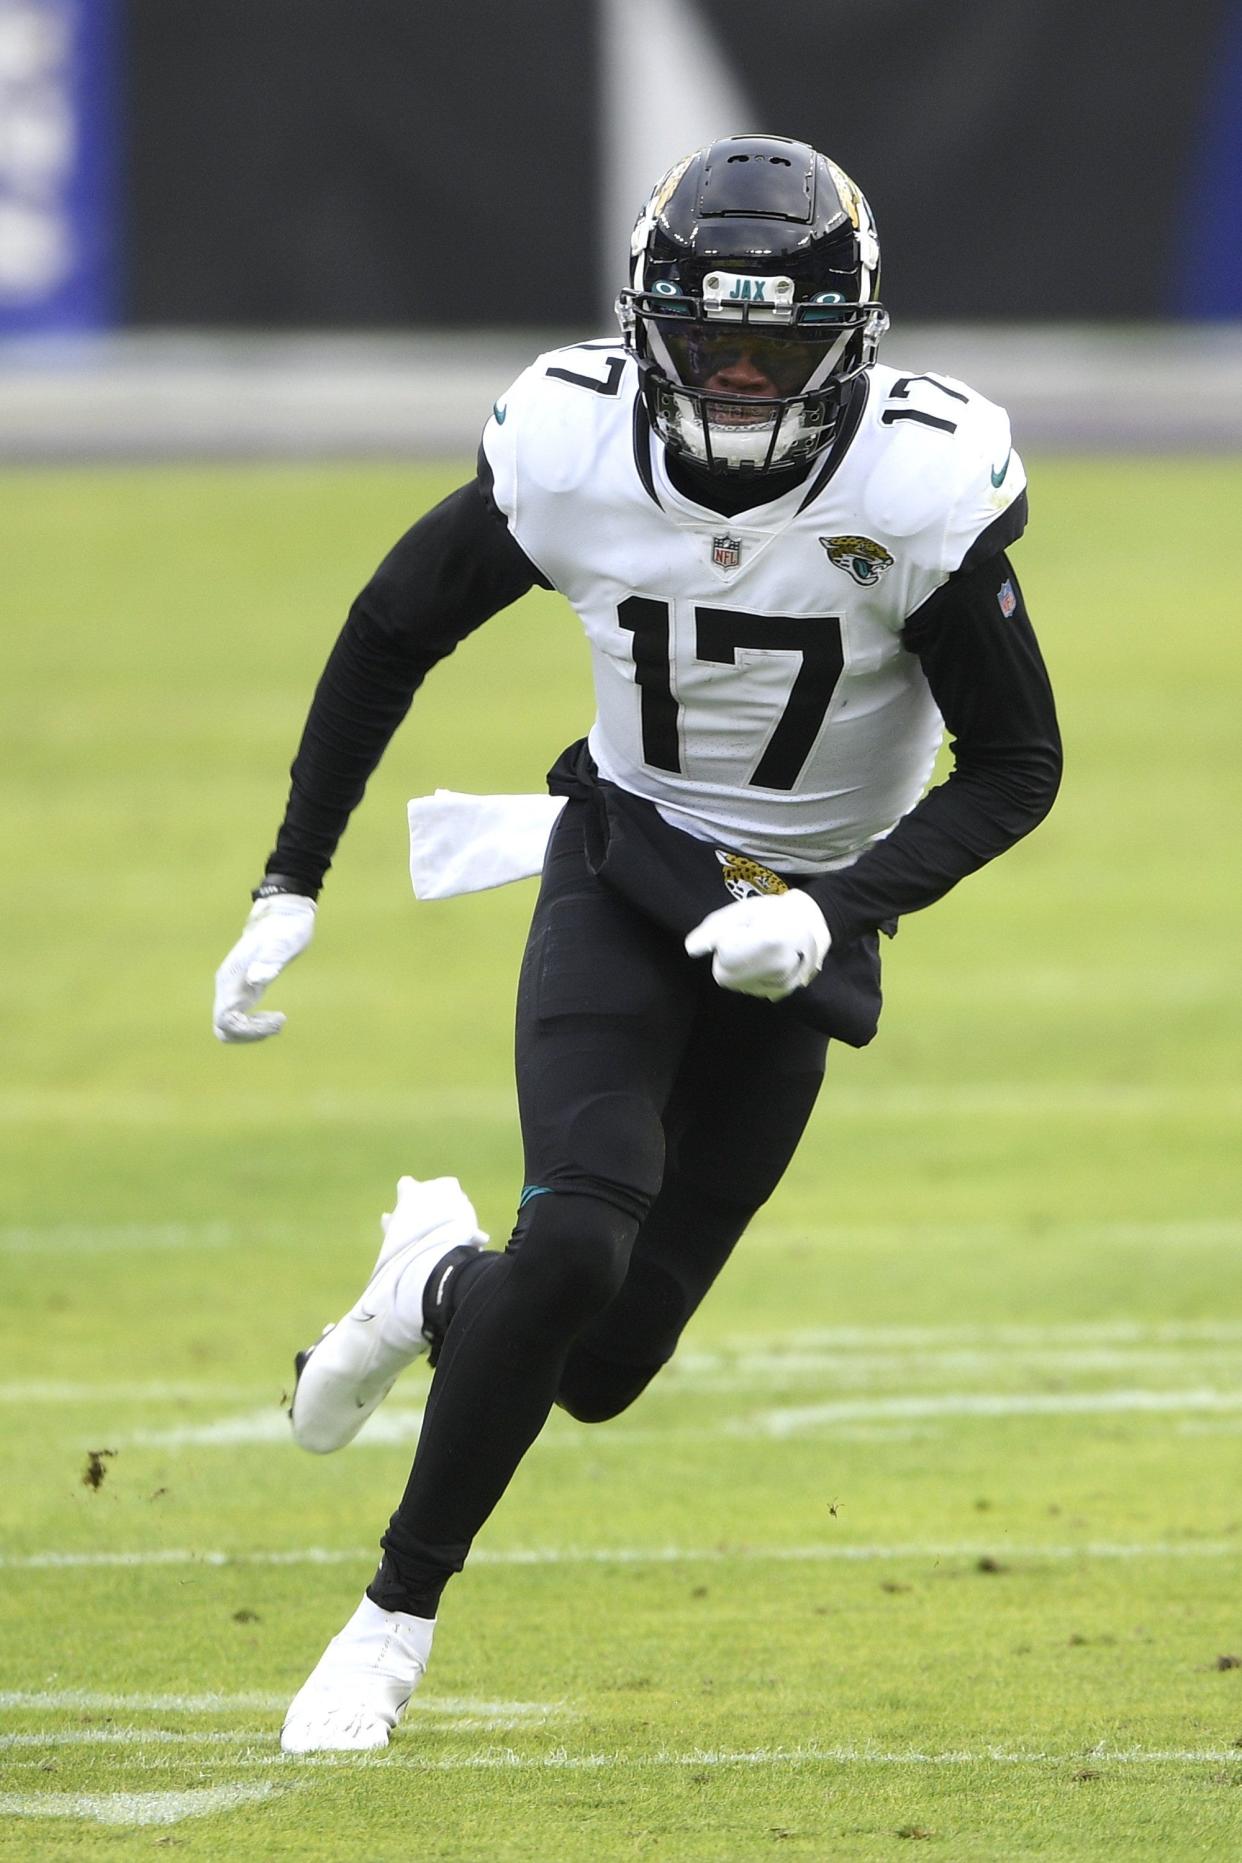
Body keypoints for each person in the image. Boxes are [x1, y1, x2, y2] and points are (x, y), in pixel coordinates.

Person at [212, 134, 1061, 1752]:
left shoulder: (919, 483)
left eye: (778, 338)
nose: (740, 374)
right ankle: (388, 1627)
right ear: (643, 322)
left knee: (591, 1361)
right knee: (583, 1232)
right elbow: (393, 625)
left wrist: (832, 907)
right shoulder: (568, 444)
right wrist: (289, 879)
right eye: (709, 334)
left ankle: (431, 1285)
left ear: (851, 340)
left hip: (802, 928)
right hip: (627, 862)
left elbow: (1019, 763)